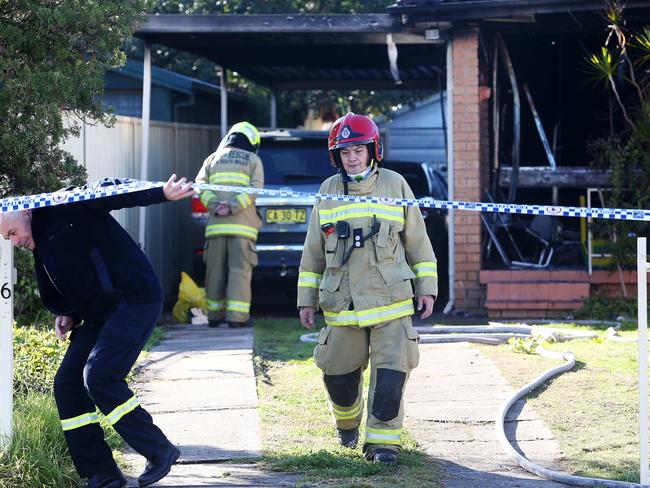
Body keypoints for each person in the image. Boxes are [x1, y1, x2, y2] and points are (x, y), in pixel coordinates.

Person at [0, 175, 195, 488]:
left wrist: (161, 192)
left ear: (26, 212)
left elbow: (109, 190)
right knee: (67, 383)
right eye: (7, 238)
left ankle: (158, 450)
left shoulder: (63, 207)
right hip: (99, 314)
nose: (14, 241)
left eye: (12, 232)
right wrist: (69, 313)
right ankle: (102, 473)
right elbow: (78, 273)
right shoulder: (40, 239)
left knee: (99, 376)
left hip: (134, 298)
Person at [297, 113, 437, 465]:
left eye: (358, 150)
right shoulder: (328, 191)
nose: (352, 158)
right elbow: (313, 250)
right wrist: (306, 300)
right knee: (339, 379)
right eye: (345, 152)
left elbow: (418, 242)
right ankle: (347, 425)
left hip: (391, 301)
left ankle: (383, 445)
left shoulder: (396, 185)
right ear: (337, 157)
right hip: (342, 302)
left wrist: (427, 288)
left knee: (390, 378)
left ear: (373, 150)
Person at [195, 122, 264, 328]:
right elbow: (255, 189)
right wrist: (232, 207)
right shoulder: (253, 159)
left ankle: (214, 316)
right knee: (239, 271)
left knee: (214, 270)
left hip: (216, 227)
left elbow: (199, 186)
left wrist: (216, 206)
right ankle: (237, 318)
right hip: (243, 229)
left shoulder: (211, 159)